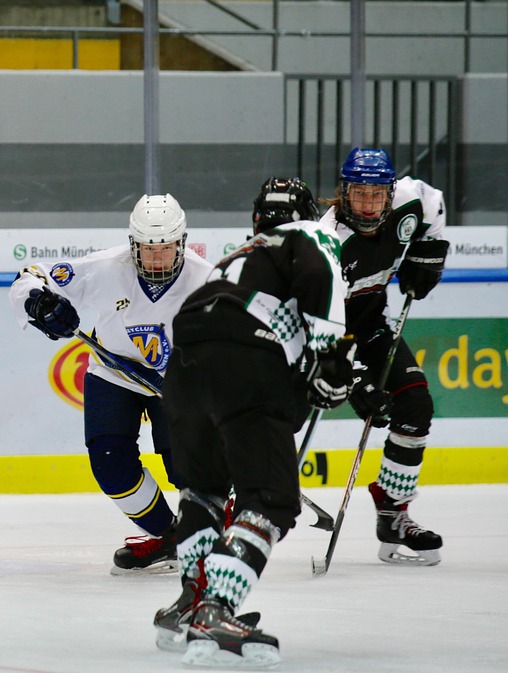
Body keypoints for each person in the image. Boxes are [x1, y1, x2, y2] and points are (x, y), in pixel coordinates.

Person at [152, 177, 353, 667]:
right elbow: (319, 278)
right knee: (273, 499)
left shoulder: (237, 256)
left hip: (184, 362)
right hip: (244, 353)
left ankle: (191, 601)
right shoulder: (310, 235)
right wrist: (332, 357)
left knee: (204, 490)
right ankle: (217, 609)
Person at [10, 194, 213, 575]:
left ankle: (207, 526)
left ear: (182, 243)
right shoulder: (105, 267)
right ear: (133, 244)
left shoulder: (207, 280)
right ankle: (168, 536)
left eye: (165, 249)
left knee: (187, 467)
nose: (155, 259)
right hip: (113, 376)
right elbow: (29, 277)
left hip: (179, 383)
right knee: (110, 465)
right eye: (147, 249)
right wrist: (40, 305)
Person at [318, 148, 448, 566]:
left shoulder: (411, 201)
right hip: (319, 336)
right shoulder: (326, 241)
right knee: (279, 415)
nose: (369, 204)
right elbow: (316, 319)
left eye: (378, 195)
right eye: (360, 195)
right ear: (344, 193)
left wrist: (429, 251)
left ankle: (393, 512)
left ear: (390, 193)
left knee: (415, 403)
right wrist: (354, 380)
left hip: (371, 325)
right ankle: (231, 507)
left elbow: (436, 204)